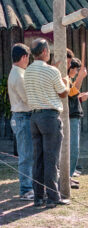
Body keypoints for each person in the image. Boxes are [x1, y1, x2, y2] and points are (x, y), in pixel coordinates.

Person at [24, 38, 70, 208]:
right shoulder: (52, 71)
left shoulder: (28, 70)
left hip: (34, 117)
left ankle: (38, 197)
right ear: (44, 52)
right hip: (50, 117)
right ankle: (53, 197)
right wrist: (66, 81)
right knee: (52, 159)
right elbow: (63, 93)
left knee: (39, 159)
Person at [8, 43, 34, 200]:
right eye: (28, 58)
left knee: (28, 154)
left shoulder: (18, 72)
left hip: (22, 116)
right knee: (26, 155)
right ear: (24, 57)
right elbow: (28, 99)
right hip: (22, 116)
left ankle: (28, 186)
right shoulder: (18, 75)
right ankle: (25, 189)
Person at [68, 58, 88, 188]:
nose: (76, 72)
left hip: (74, 114)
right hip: (70, 116)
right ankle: (67, 178)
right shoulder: (65, 78)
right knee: (72, 149)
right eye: (76, 70)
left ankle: (68, 176)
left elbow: (73, 94)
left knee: (74, 149)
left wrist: (80, 96)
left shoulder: (69, 80)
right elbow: (71, 94)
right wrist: (80, 77)